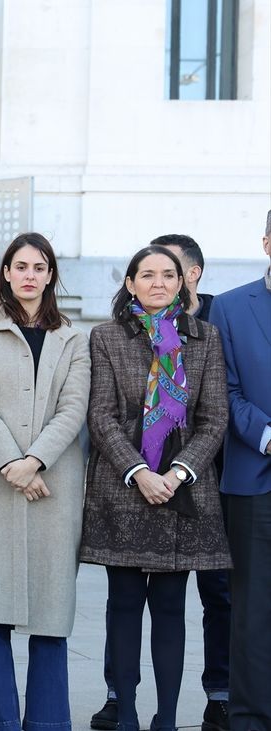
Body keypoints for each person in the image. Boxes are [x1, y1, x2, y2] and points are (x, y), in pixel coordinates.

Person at [79, 245, 230, 731]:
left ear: (183, 282)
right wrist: (139, 472)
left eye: (169, 275)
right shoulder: (105, 337)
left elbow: (214, 418)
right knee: (122, 604)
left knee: (169, 607)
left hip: (183, 492)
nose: (159, 283)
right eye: (147, 275)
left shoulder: (205, 337)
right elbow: (100, 415)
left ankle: (166, 719)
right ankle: (126, 714)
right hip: (123, 490)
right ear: (130, 284)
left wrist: (178, 471)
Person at [0, 233, 90, 731]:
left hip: (55, 486)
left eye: (39, 267)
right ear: (6, 273)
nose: (30, 275)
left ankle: (49, 722)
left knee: (51, 613)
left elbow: (74, 408)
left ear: (50, 275)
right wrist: (14, 464)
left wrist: (34, 461)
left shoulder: (74, 338)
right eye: (21, 266)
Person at [207, 211, 271, 731]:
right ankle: (251, 718)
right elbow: (223, 390)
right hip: (254, 480)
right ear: (267, 242)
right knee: (252, 608)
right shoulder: (229, 308)